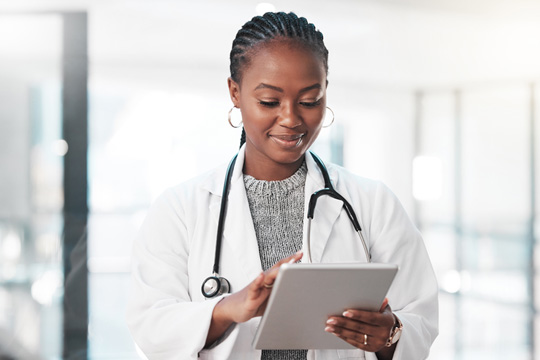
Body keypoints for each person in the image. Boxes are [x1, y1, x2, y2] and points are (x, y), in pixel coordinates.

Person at [126, 11, 438, 360]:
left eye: (309, 101)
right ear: (234, 92)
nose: (291, 118)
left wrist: (390, 335)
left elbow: (420, 321)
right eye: (269, 102)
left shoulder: (371, 202)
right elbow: (151, 327)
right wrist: (229, 308)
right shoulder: (180, 209)